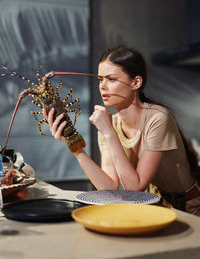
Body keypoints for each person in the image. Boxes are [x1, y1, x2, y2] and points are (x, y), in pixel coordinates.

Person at [43, 46, 200, 216]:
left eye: (111, 79)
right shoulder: (110, 123)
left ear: (136, 82)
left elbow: (135, 187)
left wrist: (109, 133)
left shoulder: (158, 118)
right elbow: (109, 187)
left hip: (192, 206)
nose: (103, 86)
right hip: (158, 205)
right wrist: (75, 146)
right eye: (100, 79)